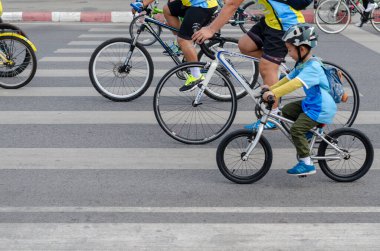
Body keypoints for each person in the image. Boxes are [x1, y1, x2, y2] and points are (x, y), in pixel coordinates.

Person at [192, 0, 305, 129]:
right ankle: (274, 66)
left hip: (284, 24)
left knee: (267, 67)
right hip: (270, 21)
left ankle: (272, 116)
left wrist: (211, 29)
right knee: (245, 45)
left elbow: (233, 4)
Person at [261, 23, 337, 176]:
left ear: (302, 49)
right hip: (312, 103)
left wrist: (274, 95)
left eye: (290, 50)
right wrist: (272, 89)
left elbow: (295, 84)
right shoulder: (303, 63)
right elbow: (288, 79)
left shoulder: (312, 67)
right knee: (287, 111)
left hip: (320, 108)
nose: (288, 54)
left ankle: (306, 163)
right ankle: (308, 133)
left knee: (296, 130)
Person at [132, 0, 218, 92]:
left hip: (203, 6)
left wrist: (144, 3)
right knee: (167, 9)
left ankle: (196, 76)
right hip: (192, 3)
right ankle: (184, 42)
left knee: (183, 39)